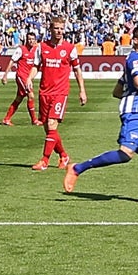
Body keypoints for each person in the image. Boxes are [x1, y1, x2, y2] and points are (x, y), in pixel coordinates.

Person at [63, 23, 138, 205]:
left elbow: (117, 91)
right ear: (135, 40)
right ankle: (77, 168)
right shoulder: (136, 59)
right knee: (125, 154)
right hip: (134, 113)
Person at [31, 16, 87, 171]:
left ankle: (44, 160)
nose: (59, 31)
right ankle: (63, 155)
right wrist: (29, 78)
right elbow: (36, 66)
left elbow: (77, 70)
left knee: (51, 124)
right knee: (49, 130)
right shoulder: (42, 47)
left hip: (60, 93)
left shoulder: (70, 48)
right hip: (44, 92)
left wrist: (82, 90)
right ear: (51, 29)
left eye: (62, 28)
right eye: (56, 28)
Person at [3, 31, 39, 126]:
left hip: (28, 78)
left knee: (19, 98)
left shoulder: (36, 50)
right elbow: (12, 61)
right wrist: (5, 75)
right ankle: (34, 120)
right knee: (31, 96)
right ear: (26, 40)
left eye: (32, 39)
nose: (31, 41)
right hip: (21, 76)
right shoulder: (21, 49)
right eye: (29, 39)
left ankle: (6, 119)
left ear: (35, 40)